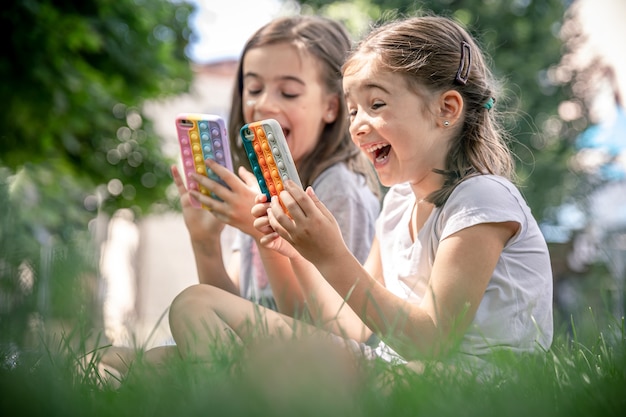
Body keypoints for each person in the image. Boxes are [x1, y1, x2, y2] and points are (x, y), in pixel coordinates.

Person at [166, 14, 553, 367]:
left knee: (197, 304)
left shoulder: (481, 200)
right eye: (354, 111)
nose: (358, 126)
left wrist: (332, 254)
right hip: (391, 372)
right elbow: (348, 328)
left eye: (377, 104)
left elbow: (431, 342)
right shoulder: (400, 202)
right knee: (135, 361)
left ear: (446, 109)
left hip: (459, 391)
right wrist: (295, 252)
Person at [96, 15, 380, 374]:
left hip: (320, 368)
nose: (263, 104)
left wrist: (262, 231)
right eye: (254, 88)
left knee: (160, 349)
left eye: (288, 92)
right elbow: (228, 313)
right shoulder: (257, 188)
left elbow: (334, 328)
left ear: (331, 107)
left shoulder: (339, 189)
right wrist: (205, 241)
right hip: (262, 356)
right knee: (113, 360)